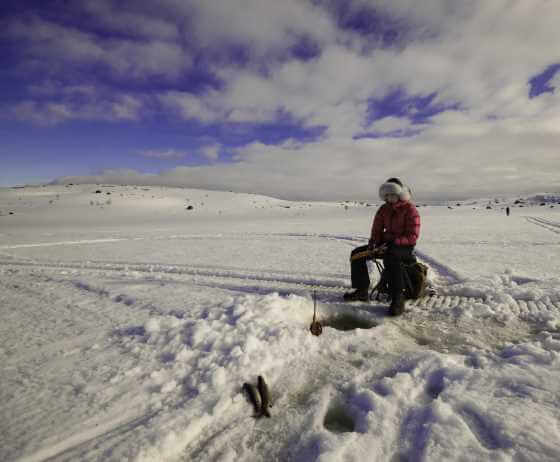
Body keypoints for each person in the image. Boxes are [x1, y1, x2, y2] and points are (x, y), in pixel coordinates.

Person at [343, 178, 421, 316]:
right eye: (387, 195)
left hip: (404, 247)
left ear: (400, 194)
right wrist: (373, 242)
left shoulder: (410, 209)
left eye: (393, 194)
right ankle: (361, 291)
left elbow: (413, 235)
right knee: (356, 254)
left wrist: (396, 242)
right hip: (384, 245)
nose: (390, 198)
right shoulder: (383, 209)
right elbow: (377, 229)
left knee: (392, 257)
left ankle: (398, 297)